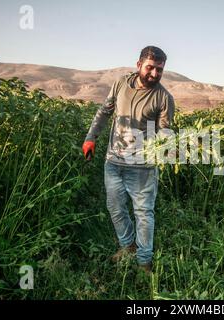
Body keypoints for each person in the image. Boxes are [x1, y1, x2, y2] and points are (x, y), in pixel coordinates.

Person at [82, 46, 175, 273]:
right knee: (115, 207)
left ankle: (144, 261)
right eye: (150, 68)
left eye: (159, 70)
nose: (154, 74)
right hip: (113, 162)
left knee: (144, 214)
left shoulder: (164, 98)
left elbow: (164, 131)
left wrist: (168, 145)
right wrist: (91, 138)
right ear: (139, 65)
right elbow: (104, 111)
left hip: (142, 166)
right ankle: (128, 246)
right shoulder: (121, 84)